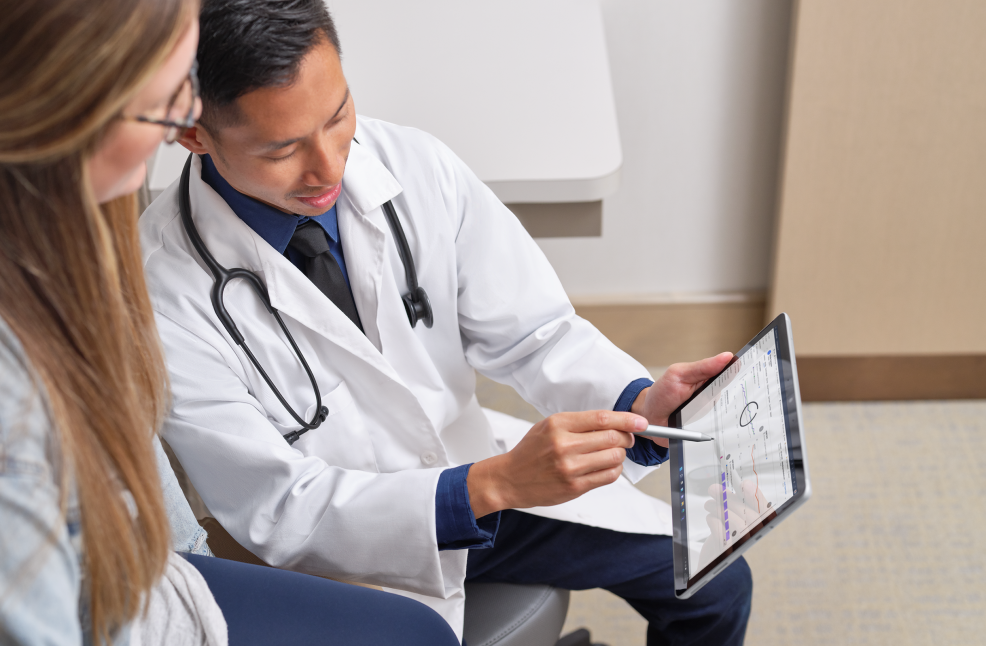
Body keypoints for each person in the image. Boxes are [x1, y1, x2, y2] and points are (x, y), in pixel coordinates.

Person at [140, 0, 754, 643]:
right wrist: (493, 485)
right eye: (284, 149)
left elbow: (534, 331)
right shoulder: (162, 296)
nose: (329, 167)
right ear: (193, 133)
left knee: (714, 581)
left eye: (338, 114)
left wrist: (643, 405)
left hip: (476, 467)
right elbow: (282, 508)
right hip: (341, 557)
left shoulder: (413, 165)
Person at [0, 0, 460, 644]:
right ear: (72, 106)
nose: (183, 119)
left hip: (154, 571)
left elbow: (163, 524)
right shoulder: (32, 376)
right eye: (162, 103)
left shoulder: (77, 239)